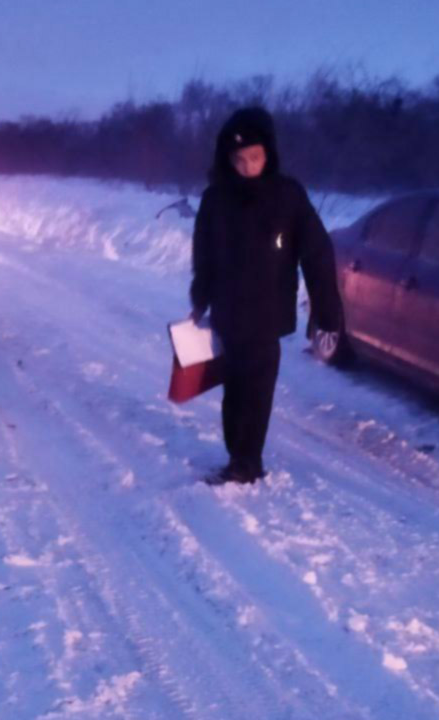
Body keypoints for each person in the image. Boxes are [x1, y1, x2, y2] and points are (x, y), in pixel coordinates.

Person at [189, 107, 343, 485]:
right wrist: (200, 296)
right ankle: (237, 455)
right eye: (239, 160)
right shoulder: (215, 199)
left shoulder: (287, 196)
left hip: (266, 315)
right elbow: (204, 252)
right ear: (228, 159)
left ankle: (247, 462)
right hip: (227, 311)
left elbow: (317, 253)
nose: (247, 167)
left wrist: (326, 313)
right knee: (233, 389)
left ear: (268, 154)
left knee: (256, 391)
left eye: (255, 158)